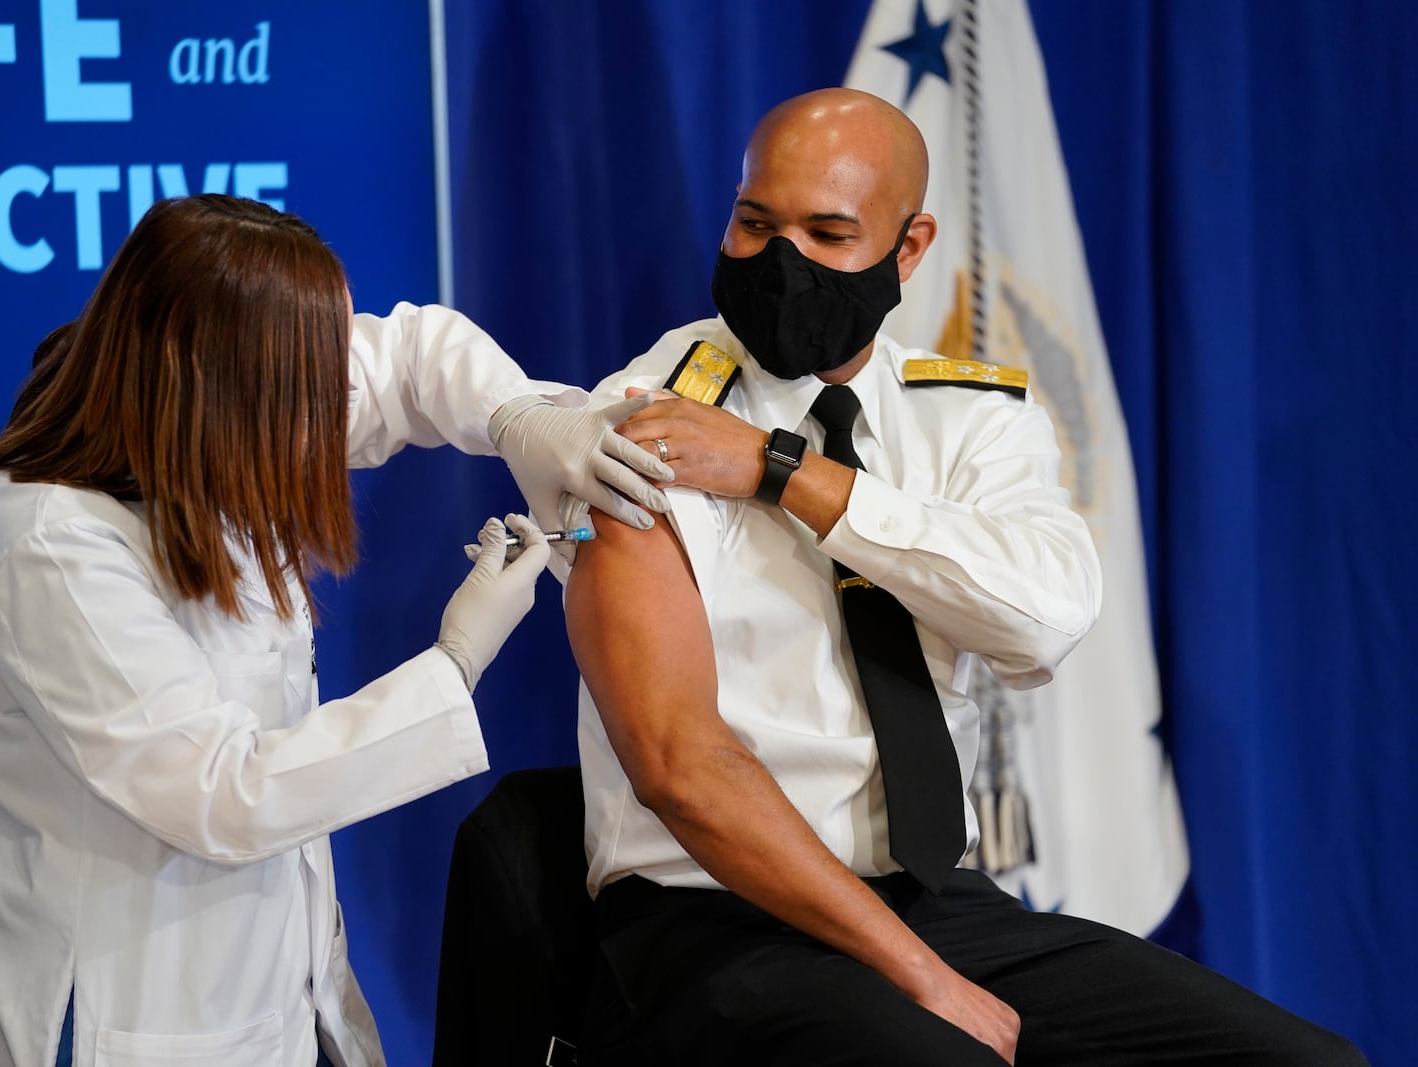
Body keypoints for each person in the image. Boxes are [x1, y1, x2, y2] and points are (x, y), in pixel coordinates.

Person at [560, 89, 1366, 1065]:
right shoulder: (642, 421)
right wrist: (920, 975)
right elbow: (679, 767)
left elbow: (1043, 621)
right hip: (708, 917)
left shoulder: (968, 417)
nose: (781, 262)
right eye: (754, 222)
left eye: (828, 232)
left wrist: (788, 473)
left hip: (932, 898)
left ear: (908, 248)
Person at [0, 193, 669, 1067]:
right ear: (208, 381)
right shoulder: (50, 544)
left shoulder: (219, 402)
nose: (326, 409)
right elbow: (223, 792)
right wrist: (456, 661)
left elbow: (408, 360)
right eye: (304, 388)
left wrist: (521, 419)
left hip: (270, 994)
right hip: (122, 1023)